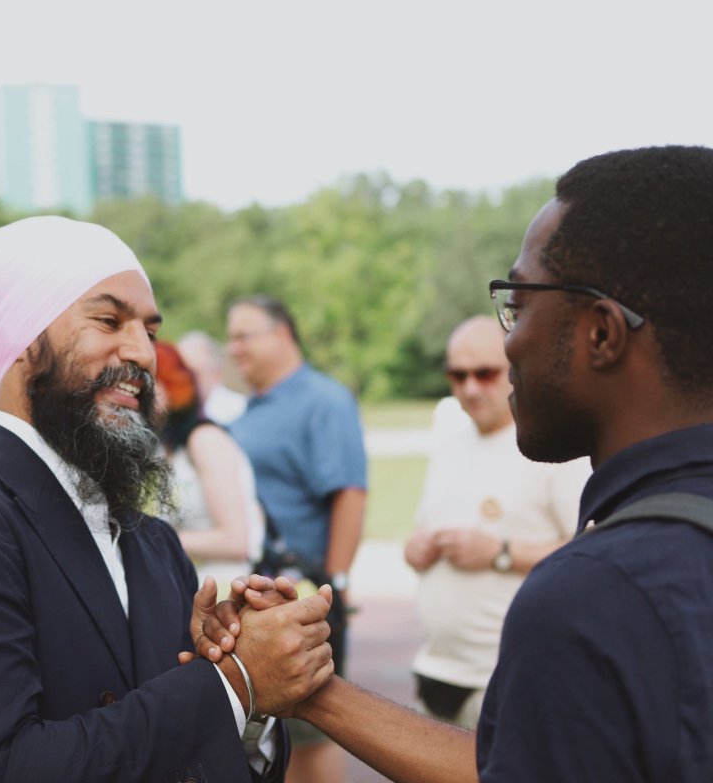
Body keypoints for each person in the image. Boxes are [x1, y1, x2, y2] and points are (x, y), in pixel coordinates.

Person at [202, 146, 713, 782]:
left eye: (520, 304)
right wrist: (310, 687)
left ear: (603, 334)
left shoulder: (593, 597)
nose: (508, 342)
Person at [0, 215, 335, 782]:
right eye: (109, 320)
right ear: (24, 339)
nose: (141, 352)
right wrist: (232, 686)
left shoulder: (153, 539)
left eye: (151, 332)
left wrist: (252, 695)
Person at [403, 316, 588, 728]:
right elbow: (422, 527)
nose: (470, 388)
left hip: (507, 676)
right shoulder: (451, 442)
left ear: (514, 366)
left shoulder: (551, 448)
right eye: (458, 375)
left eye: (485, 373)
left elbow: (591, 551)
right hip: (437, 668)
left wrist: (500, 554)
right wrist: (415, 548)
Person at [226, 295, 367, 782]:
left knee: (313, 728)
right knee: (268, 734)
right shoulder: (251, 408)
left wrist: (337, 581)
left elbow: (349, 493)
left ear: (281, 334)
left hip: (303, 590)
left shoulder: (323, 400)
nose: (233, 348)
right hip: (259, 597)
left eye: (243, 335)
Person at [155, 340, 265, 584]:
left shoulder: (204, 440)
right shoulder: (169, 448)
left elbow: (236, 541)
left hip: (223, 592)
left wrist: (150, 538)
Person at [177, 330, 247, 425]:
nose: (189, 381)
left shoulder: (238, 408)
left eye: (195, 374)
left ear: (216, 370)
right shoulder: (181, 412)